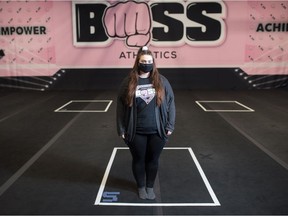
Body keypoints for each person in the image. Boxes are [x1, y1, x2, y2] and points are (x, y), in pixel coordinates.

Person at [116, 46, 176, 200]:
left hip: (158, 131)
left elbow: (171, 103)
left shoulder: (162, 81)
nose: (147, 64)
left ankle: (150, 186)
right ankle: (141, 187)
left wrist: (170, 126)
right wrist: (121, 128)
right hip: (136, 131)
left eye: (149, 61)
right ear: (138, 62)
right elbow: (121, 106)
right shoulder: (128, 82)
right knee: (138, 159)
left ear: (153, 63)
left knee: (153, 160)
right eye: (144, 61)